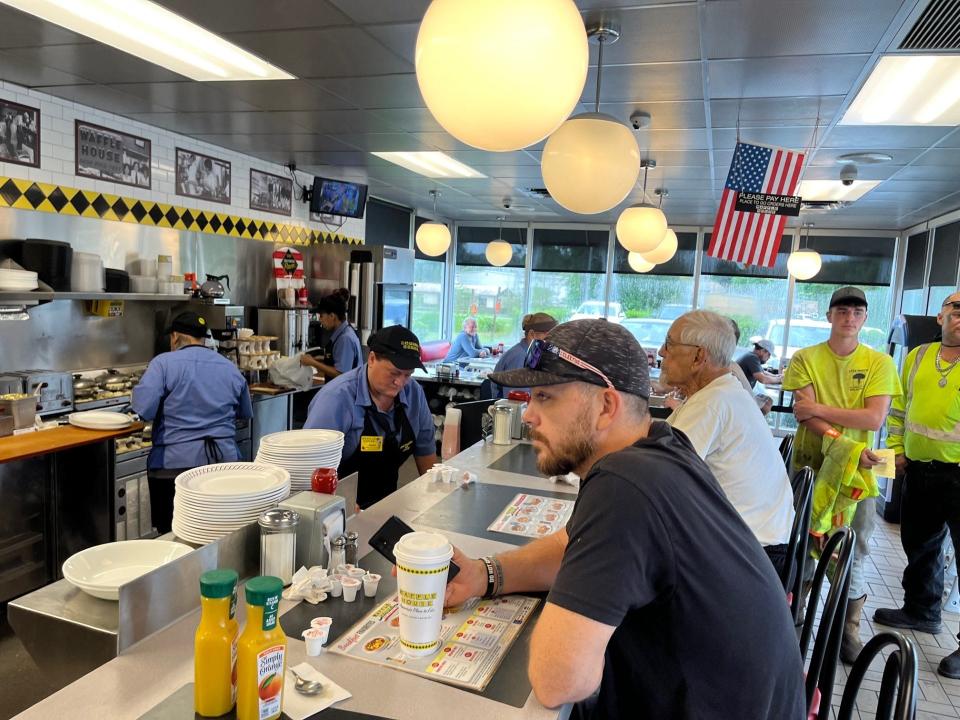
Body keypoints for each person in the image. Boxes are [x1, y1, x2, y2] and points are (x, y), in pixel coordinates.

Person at [445, 319, 805, 719]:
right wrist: (485, 574)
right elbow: (574, 545)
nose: (528, 414)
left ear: (606, 406)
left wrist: (571, 619)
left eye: (545, 397)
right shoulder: (662, 445)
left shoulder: (625, 483)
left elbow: (558, 680)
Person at [783, 285, 901, 663]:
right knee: (801, 541)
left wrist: (821, 409)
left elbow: (873, 417)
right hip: (808, 464)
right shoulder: (805, 357)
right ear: (829, 315)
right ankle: (791, 618)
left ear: (865, 318)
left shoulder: (880, 363)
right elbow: (804, 415)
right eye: (842, 310)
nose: (849, 317)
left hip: (863, 471)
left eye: (857, 312)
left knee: (854, 545)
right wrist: (841, 438)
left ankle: (846, 630)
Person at [659, 311, 795, 576]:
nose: (662, 352)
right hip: (759, 542)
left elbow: (662, 475)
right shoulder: (720, 391)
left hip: (752, 557)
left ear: (699, 356)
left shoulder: (713, 402)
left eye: (670, 343)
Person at [874, 293, 960, 678]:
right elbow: (898, 408)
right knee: (919, 543)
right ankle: (921, 610)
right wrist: (894, 451)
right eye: (956, 307)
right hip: (919, 469)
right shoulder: (918, 356)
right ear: (941, 314)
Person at [132, 311, 253, 533]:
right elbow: (243, 414)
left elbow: (143, 409)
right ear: (202, 338)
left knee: (174, 535)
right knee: (218, 532)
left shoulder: (163, 364)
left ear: (175, 337)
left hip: (174, 468)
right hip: (223, 465)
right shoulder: (229, 367)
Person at [304, 325, 437, 509]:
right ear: (372, 358)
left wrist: (435, 503)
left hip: (387, 505)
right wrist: (343, 508)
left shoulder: (413, 393)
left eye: (407, 375)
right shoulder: (336, 399)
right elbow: (310, 470)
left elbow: (426, 453)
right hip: (340, 509)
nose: (400, 382)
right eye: (394, 373)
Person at [489, 312, 557, 398]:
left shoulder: (531, 355)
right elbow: (516, 401)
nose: (552, 341)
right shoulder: (519, 357)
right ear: (532, 334)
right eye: (548, 336)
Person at [300, 291, 361, 379]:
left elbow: (340, 374)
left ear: (332, 316)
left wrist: (313, 363)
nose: (320, 320)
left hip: (345, 392)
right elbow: (339, 360)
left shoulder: (345, 338)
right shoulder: (342, 333)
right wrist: (319, 359)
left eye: (321, 316)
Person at [737, 337, 782, 414]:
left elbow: (763, 372)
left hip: (742, 393)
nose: (769, 358)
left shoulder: (751, 356)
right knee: (766, 405)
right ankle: (753, 423)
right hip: (739, 396)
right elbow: (763, 379)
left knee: (768, 401)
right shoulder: (752, 358)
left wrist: (778, 377)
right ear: (763, 351)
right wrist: (779, 380)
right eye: (769, 355)